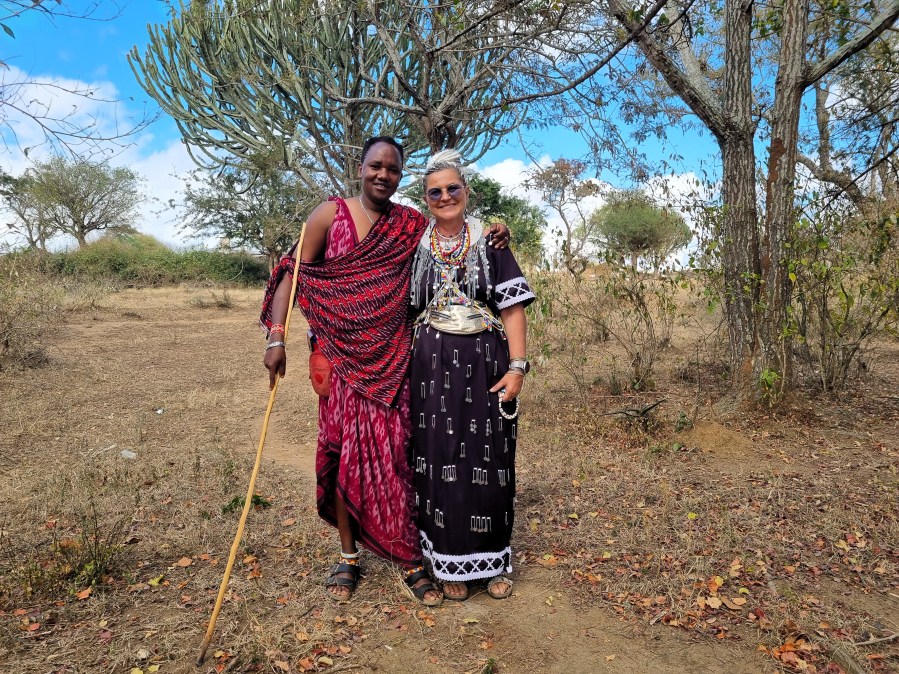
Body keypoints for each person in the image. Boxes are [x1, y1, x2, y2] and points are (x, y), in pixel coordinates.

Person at [260, 137, 508, 606]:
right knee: (341, 455)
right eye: (376, 166)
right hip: (338, 361)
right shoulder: (329, 215)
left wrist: (492, 230)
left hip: (394, 363)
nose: (383, 175)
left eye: (393, 169)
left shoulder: (410, 224)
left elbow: (451, 232)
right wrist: (277, 337)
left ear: (400, 176)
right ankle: (348, 556)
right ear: (361, 167)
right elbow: (293, 272)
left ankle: (407, 555)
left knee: (396, 458)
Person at [409, 149, 534, 601]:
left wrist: (517, 367)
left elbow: (513, 308)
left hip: (486, 365)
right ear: (425, 199)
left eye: (453, 188)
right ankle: (448, 564)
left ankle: (492, 560)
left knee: (490, 457)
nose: (445, 197)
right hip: (429, 370)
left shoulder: (491, 242)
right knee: (438, 457)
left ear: (467, 190)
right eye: (435, 192)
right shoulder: (414, 245)